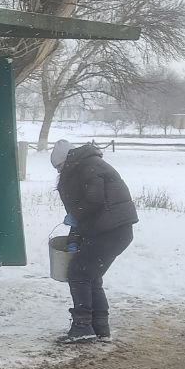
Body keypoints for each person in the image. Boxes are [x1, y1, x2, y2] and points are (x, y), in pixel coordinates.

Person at [51, 139, 138, 344]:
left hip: (111, 231)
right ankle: (100, 327)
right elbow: (88, 209)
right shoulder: (88, 165)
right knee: (90, 275)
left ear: (66, 160)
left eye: (59, 166)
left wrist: (75, 216)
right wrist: (74, 237)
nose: (59, 172)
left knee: (79, 273)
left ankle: (83, 327)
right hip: (114, 230)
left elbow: (93, 200)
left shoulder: (87, 167)